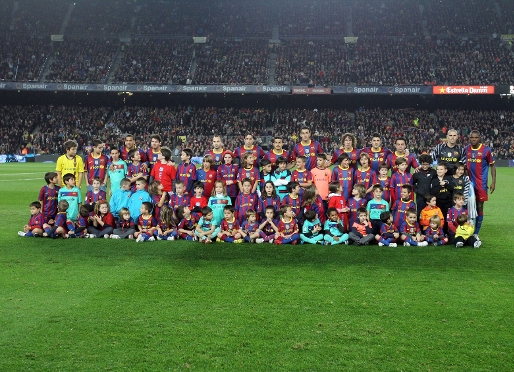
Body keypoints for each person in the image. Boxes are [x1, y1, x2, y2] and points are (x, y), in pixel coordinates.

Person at [465, 130, 496, 237]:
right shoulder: (466, 149)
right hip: (468, 183)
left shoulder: (486, 150)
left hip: (481, 184)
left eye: (476, 137)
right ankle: (466, 229)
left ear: (479, 138)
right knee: (466, 206)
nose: (473, 139)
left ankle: (476, 233)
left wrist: (493, 182)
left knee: (479, 207)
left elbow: (492, 166)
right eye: (472, 137)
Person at [430, 163, 454, 229]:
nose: (439, 171)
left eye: (441, 169)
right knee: (438, 218)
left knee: (447, 218)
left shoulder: (449, 178)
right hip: (438, 202)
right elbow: (432, 192)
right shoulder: (434, 180)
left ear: (446, 170)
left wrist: (445, 185)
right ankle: (438, 232)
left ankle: (446, 233)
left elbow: (452, 188)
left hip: (448, 202)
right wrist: (440, 186)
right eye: (437, 169)